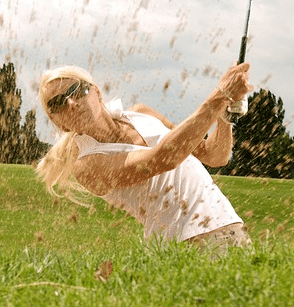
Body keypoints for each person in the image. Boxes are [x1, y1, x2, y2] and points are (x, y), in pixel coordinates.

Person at [36, 62, 254, 253]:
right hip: (185, 245)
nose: (71, 103)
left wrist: (226, 113)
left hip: (231, 226)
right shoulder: (87, 165)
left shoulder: (142, 112)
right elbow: (165, 158)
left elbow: (214, 156)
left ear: (97, 92)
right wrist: (220, 95)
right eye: (57, 104)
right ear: (59, 123)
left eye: (76, 91)